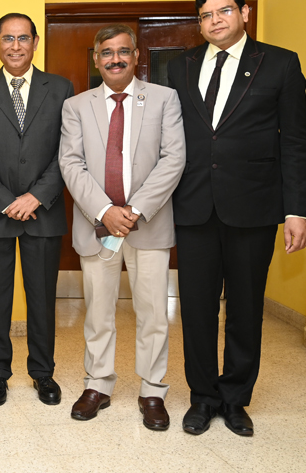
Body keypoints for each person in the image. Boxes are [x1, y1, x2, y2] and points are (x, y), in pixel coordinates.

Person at [168, 0, 306, 436]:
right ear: (199, 23)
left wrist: (297, 210)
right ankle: (202, 396)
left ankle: (234, 399)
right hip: (193, 207)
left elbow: (295, 141)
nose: (215, 20)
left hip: (253, 207)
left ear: (244, 13)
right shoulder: (179, 66)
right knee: (196, 310)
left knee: (246, 310)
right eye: (206, 15)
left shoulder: (280, 63)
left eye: (224, 11)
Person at [59, 24, 185, 430]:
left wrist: (134, 210)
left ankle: (152, 390)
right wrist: (104, 211)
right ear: (97, 59)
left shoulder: (164, 99)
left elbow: (173, 159)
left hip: (148, 223)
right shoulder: (76, 106)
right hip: (98, 226)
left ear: (136, 56)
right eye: (107, 52)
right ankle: (98, 384)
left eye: (123, 51)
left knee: (153, 313)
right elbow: (70, 163)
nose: (116, 59)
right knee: (98, 311)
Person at [0, 13, 73, 407]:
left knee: (42, 299)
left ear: (35, 42)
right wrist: (6, 200)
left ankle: (43, 373)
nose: (15, 46)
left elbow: (68, 150)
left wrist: (36, 196)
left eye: (23, 38)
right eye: (7, 38)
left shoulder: (60, 88)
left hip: (44, 212)